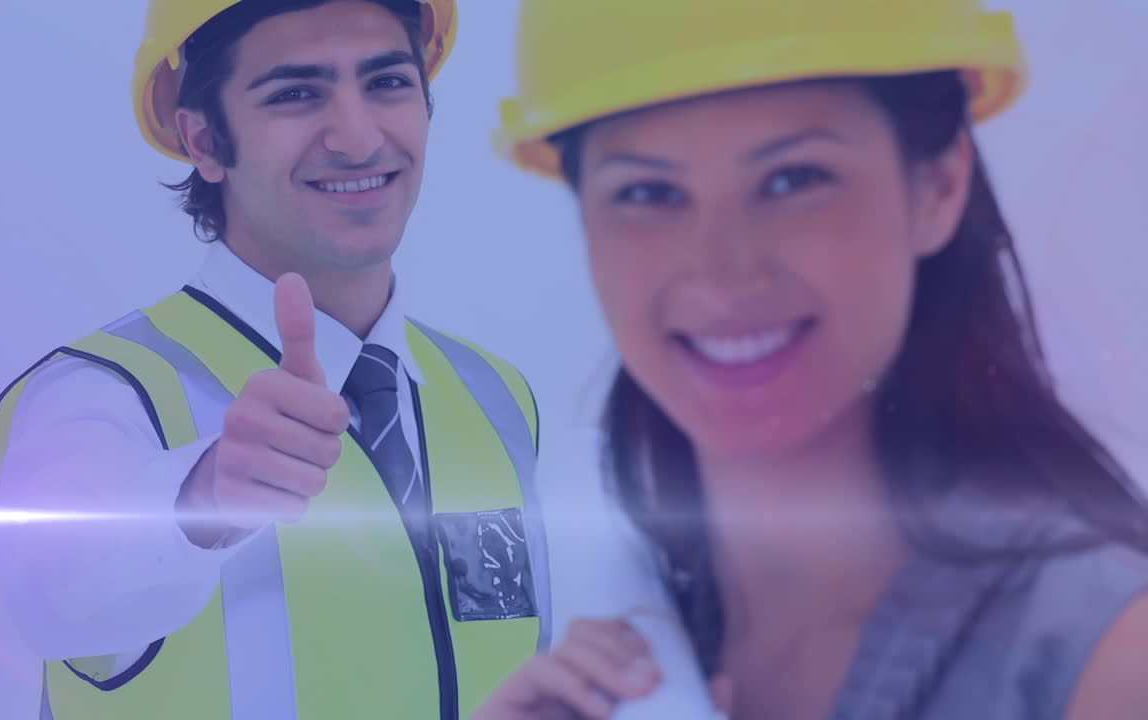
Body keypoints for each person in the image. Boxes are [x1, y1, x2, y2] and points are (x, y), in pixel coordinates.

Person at [475, 0, 1148, 718]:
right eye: (648, 192)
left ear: (937, 186)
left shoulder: (1104, 660)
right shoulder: (636, 663)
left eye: (794, 179)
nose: (721, 275)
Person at [0, 1, 551, 718]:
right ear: (204, 141)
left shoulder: (495, 394)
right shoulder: (105, 393)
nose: (357, 136)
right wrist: (201, 500)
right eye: (295, 93)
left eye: (387, 83)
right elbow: (51, 594)